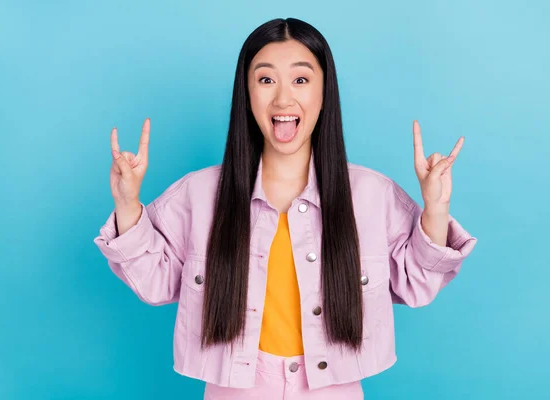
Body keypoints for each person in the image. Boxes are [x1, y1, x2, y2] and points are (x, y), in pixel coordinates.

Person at [94, 17, 477, 400]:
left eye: (300, 79)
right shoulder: (200, 193)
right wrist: (127, 204)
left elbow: (418, 284)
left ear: (325, 91)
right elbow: (155, 282)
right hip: (234, 390)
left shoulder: (371, 194)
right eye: (265, 80)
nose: (282, 99)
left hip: (333, 391)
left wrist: (436, 208)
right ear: (246, 93)